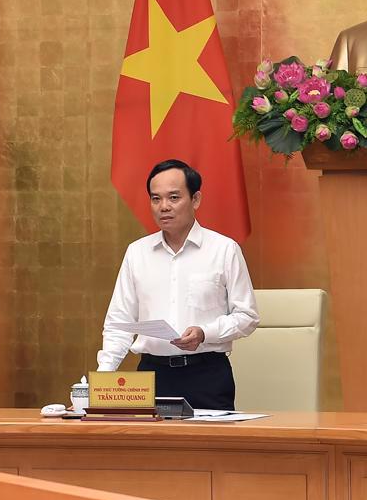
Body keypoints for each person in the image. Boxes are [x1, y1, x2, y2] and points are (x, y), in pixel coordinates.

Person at [97, 159, 259, 410]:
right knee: (152, 449)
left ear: (195, 200)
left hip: (207, 374)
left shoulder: (223, 249)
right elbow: (119, 321)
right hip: (151, 376)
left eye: (173, 197)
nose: (164, 207)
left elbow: (247, 316)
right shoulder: (137, 253)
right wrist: (104, 377)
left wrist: (206, 333)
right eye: (155, 199)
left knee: (209, 449)